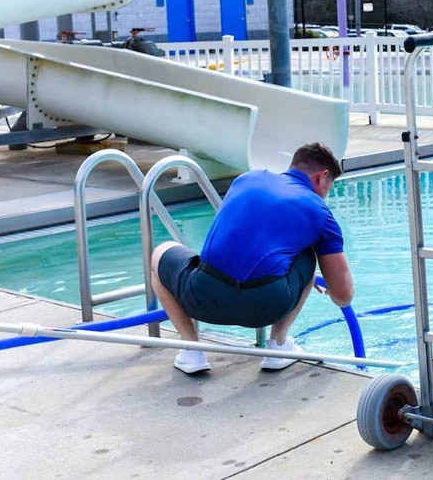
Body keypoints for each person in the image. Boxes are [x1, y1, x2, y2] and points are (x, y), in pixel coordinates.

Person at [151, 142, 354, 374]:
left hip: (202, 299)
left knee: (160, 252)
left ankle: (191, 349)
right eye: (328, 188)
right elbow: (343, 296)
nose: (325, 196)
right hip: (267, 307)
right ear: (321, 176)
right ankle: (278, 344)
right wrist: (316, 281)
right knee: (307, 251)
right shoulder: (320, 212)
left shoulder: (246, 179)